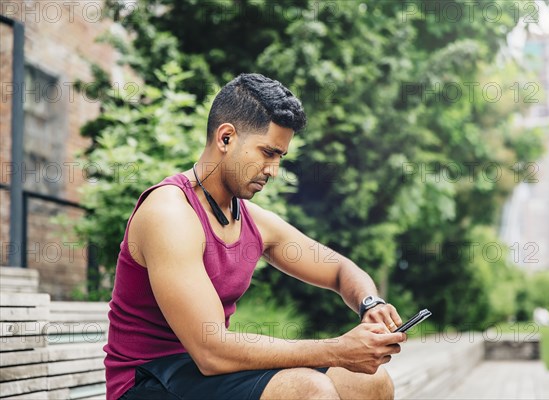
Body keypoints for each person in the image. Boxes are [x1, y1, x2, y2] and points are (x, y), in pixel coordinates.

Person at [104, 73, 407, 400]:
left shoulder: (251, 221)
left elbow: (338, 270)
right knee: (308, 392)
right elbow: (212, 351)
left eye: (280, 157)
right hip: (149, 381)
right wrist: (337, 349)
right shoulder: (170, 214)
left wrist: (368, 303)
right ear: (226, 138)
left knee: (371, 382)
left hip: (202, 376)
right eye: (267, 152)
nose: (274, 170)